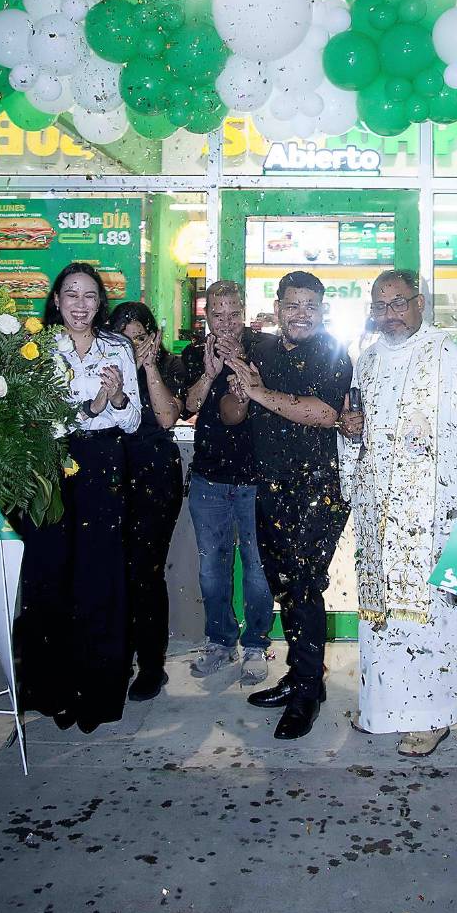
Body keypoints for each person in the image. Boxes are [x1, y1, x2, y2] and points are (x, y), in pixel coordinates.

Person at [337, 270, 457, 758]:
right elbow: (357, 425)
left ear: (420, 303)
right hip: (377, 507)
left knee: (428, 614)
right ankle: (383, 708)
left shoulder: (446, 355)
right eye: (380, 306)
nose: (389, 315)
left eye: (398, 304)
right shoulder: (367, 359)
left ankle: (432, 716)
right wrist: (350, 431)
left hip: (431, 511)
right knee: (381, 611)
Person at [12, 263, 141, 734]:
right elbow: (34, 417)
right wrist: (91, 406)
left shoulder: (118, 347)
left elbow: (132, 421)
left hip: (103, 464)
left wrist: (118, 399)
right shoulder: (36, 349)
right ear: (56, 300)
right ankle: (54, 693)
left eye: (89, 296)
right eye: (71, 295)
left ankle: (99, 695)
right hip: (50, 465)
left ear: (100, 302)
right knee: (50, 577)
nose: (80, 305)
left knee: (100, 578)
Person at [227, 271, 352, 741]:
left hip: (318, 488)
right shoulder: (260, 350)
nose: (301, 314)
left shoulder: (334, 352)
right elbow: (234, 413)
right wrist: (240, 392)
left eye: (310, 306)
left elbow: (325, 413)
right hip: (270, 485)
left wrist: (258, 392)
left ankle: (305, 694)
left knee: (303, 586)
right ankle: (302, 676)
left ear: (322, 311)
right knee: (285, 586)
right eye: (293, 305)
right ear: (277, 307)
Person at [181, 281, 272, 687]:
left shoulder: (266, 348)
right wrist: (209, 373)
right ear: (207, 316)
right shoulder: (194, 353)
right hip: (209, 477)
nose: (227, 323)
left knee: (258, 570)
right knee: (211, 571)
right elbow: (189, 406)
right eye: (218, 315)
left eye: (234, 314)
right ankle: (220, 642)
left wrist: (245, 369)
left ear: (244, 312)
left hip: (257, 478)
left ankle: (256, 644)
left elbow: (274, 400)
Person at [108, 301, 185, 703]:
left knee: (146, 571)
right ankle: (117, 656)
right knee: (112, 571)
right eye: (123, 339)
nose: (132, 346)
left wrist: (149, 366)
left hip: (155, 474)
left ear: (153, 336)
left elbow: (168, 417)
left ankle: (152, 665)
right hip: (109, 475)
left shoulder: (169, 365)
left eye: (139, 338)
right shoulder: (102, 364)